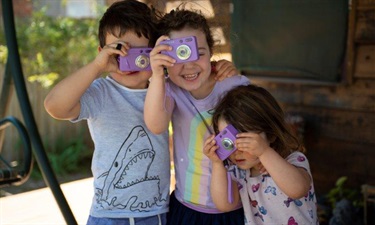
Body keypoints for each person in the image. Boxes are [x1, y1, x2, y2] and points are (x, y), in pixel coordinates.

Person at [44, 1, 238, 224]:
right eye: (119, 51)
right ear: (104, 53)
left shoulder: (167, 89)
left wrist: (220, 69)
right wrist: (96, 66)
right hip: (108, 215)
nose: (131, 62)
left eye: (142, 53)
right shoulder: (101, 93)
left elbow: (198, 80)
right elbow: (54, 106)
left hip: (156, 213)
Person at [144, 6, 251, 225]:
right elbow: (156, 125)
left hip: (235, 208)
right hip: (187, 209)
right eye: (176, 55)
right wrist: (156, 74)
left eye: (197, 52)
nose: (188, 65)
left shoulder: (236, 85)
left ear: (212, 51)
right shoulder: (169, 90)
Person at [203, 84, 319, 224]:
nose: (237, 151)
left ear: (270, 135)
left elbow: (298, 189)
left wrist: (264, 153)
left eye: (245, 141)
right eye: (228, 142)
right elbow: (225, 204)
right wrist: (217, 163)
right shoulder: (239, 172)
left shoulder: (293, 160)